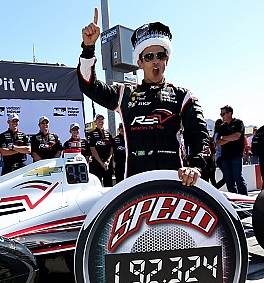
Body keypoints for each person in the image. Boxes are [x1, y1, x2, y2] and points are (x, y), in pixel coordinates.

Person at [78, 10, 210, 186]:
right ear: (139, 63)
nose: (155, 61)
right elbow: (89, 86)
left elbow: (199, 135)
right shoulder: (124, 94)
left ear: (167, 60)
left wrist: (196, 167)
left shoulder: (183, 96)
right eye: (149, 57)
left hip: (175, 183)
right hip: (135, 187)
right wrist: (88, 49)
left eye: (160, 55)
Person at [217, 105, 248, 195]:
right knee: (229, 180)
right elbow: (218, 142)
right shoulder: (222, 127)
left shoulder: (238, 123)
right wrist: (229, 138)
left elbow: (236, 137)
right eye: (221, 114)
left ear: (230, 113)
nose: (222, 116)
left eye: (223, 114)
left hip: (236, 156)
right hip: (225, 157)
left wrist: (224, 138)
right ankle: (234, 199)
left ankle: (244, 198)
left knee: (238, 178)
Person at [87, 114, 114, 186]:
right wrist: (101, 163)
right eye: (99, 119)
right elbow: (92, 149)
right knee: (96, 184)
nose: (100, 121)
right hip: (96, 164)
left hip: (107, 164)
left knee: (108, 184)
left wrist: (108, 161)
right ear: (95, 122)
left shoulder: (108, 133)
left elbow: (111, 148)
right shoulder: (91, 134)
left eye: (102, 119)